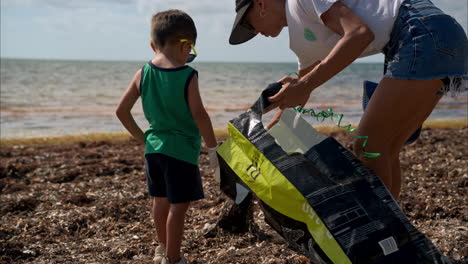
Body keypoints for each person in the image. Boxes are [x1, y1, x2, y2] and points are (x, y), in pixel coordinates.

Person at [228, 0, 467, 200]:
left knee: (367, 145)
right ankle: (395, 235)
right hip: (428, 36)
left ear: (260, 4)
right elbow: (299, 95)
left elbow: (359, 34)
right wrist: (264, 142)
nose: (255, 33)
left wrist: (305, 84)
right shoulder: (301, 41)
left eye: (249, 25)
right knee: (385, 148)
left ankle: (383, 231)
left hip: (419, 29)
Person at [116, 9, 218, 264]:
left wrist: (143, 139)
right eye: (191, 51)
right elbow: (200, 114)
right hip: (181, 152)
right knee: (178, 207)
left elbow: (121, 111)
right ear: (186, 46)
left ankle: (161, 249)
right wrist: (213, 148)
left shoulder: (143, 73)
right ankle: (173, 259)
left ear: (153, 45)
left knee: (159, 201)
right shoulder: (187, 75)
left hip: (154, 151)